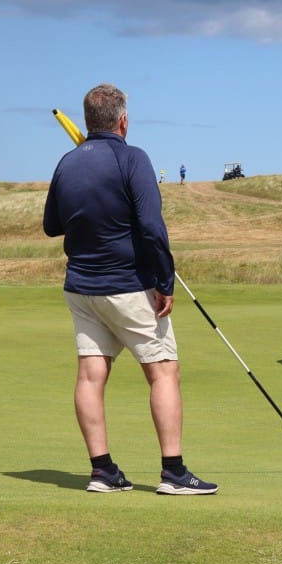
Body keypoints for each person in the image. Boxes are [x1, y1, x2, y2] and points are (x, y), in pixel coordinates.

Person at [43, 83, 217, 495]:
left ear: (88, 121)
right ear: (123, 120)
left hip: (81, 288)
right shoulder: (133, 158)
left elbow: (53, 225)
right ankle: (173, 472)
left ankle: (102, 470)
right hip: (127, 286)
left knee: (91, 374)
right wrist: (165, 280)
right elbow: (153, 226)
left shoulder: (67, 163)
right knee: (163, 372)